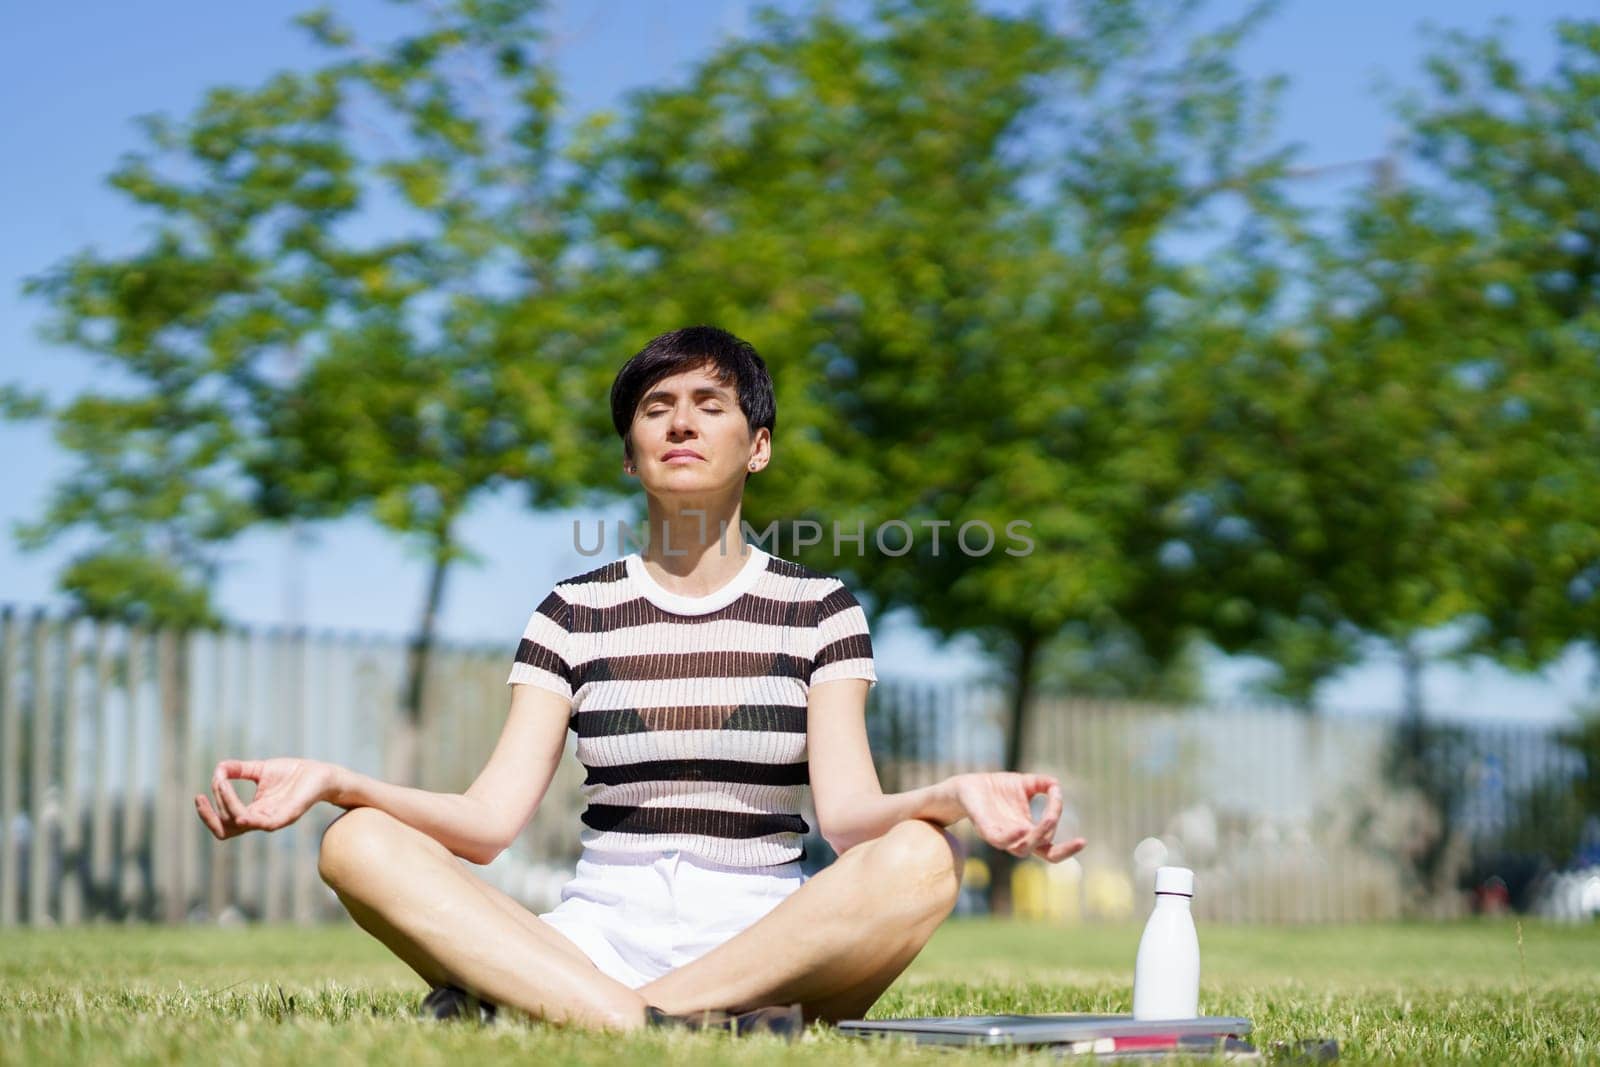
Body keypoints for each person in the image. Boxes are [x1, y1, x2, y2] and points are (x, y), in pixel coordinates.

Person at [194, 325, 1086, 1036]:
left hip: (766, 947)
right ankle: (650, 1019)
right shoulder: (572, 611)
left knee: (926, 855)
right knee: (356, 844)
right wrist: (336, 783)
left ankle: (593, 1013)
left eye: (709, 402)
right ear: (630, 456)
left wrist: (958, 793)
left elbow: (851, 819)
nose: (681, 422)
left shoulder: (820, 607)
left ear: (759, 446)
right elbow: (486, 823)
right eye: (657, 407)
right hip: (588, 939)